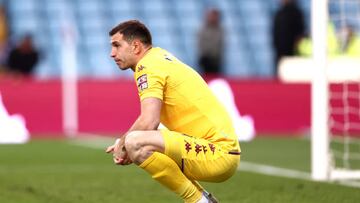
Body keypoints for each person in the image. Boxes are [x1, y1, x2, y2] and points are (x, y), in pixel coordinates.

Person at [106, 20, 240, 203]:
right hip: (221, 151)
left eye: (116, 46)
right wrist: (125, 143)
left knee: (135, 142)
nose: (112, 53)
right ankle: (205, 199)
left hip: (217, 153)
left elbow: (148, 121)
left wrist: (123, 145)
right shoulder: (159, 57)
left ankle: (198, 201)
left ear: (136, 46)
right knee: (138, 140)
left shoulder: (148, 67)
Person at [272, 0, 305, 75]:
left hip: (292, 52)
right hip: (280, 51)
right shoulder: (279, 13)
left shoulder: (296, 13)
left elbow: (300, 34)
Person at [197, 8, 224, 75]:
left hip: (216, 60)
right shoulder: (203, 29)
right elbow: (201, 44)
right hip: (205, 59)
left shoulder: (220, 29)